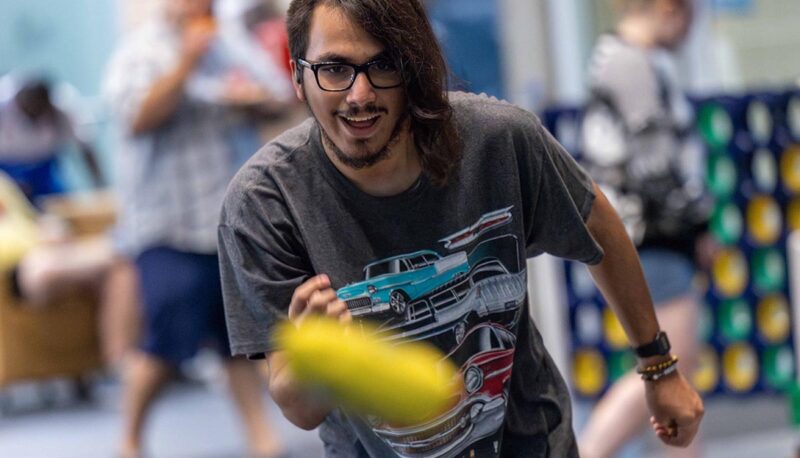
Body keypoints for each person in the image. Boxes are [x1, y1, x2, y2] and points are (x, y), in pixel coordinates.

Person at [218, 1, 704, 456]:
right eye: (334, 69)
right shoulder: (265, 203)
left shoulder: (497, 140)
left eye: (384, 65)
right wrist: (312, 359)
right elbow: (300, 410)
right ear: (298, 77)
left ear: (414, 71)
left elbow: (598, 222)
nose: (359, 94)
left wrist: (658, 367)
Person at [102, 0, 287, 456]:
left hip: (222, 221)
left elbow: (280, 92)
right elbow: (138, 117)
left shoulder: (226, 39)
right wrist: (186, 62)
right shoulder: (140, 51)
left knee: (238, 342)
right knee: (165, 345)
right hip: (165, 224)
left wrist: (250, 100)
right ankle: (129, 439)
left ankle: (262, 440)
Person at [577, 1, 710, 457]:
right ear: (671, 9)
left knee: (678, 372)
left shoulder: (626, 60)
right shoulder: (631, 63)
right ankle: (585, 451)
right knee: (665, 370)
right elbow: (655, 165)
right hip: (652, 237)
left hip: (651, 236)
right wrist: (701, 223)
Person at [0, 77, 104, 204]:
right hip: (6, 170)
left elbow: (84, 146)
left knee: (61, 207)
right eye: (29, 108)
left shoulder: (62, 106)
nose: (33, 112)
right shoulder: (3, 101)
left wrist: (99, 186)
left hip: (44, 169)